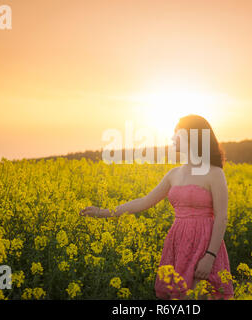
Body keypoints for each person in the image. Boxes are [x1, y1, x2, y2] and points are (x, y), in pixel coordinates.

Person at [80, 114, 234, 300]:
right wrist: (104, 213)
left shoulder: (214, 173)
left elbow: (221, 217)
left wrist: (210, 256)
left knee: (198, 297)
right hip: (179, 243)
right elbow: (144, 202)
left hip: (205, 243)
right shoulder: (174, 174)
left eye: (177, 133)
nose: (172, 138)